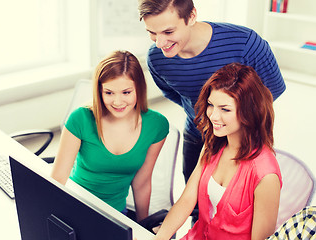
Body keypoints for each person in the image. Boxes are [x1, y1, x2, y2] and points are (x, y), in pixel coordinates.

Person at [137, 0, 286, 189]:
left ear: (191, 17)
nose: (160, 43)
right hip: (197, 135)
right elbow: (173, 94)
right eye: (152, 33)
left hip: (244, 139)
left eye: (168, 32)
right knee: (197, 203)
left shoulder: (246, 43)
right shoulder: (157, 58)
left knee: (239, 206)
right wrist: (201, 113)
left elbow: (271, 91)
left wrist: (231, 124)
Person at [152, 63, 282, 240]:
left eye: (225, 109)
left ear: (249, 112)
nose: (213, 116)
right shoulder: (212, 146)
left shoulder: (266, 175)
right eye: (211, 105)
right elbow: (186, 201)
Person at [51, 50, 169, 222]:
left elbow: (142, 182)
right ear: (99, 91)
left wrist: (143, 226)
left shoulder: (156, 125)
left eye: (126, 92)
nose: (118, 102)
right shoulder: (80, 118)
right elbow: (58, 179)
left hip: (115, 215)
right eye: (109, 93)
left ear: (139, 89)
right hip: (75, 205)